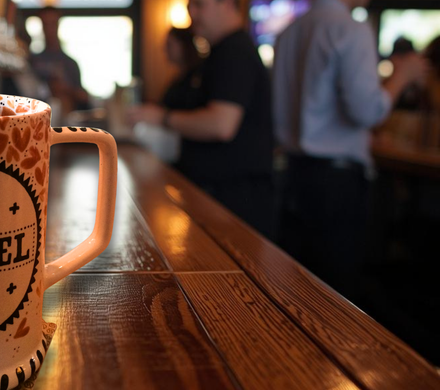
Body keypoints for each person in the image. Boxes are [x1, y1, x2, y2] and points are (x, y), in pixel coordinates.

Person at [272, 0, 427, 300]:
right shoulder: (351, 30)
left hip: (293, 172)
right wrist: (402, 77)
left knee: (293, 285)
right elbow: (366, 111)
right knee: (333, 292)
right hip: (336, 181)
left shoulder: (288, 32)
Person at [129, 0, 275, 236]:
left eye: (199, 5)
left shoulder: (234, 51)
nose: (191, 14)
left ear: (226, 4)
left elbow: (221, 125)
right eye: (190, 7)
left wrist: (162, 117)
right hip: (219, 194)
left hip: (233, 200)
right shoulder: (219, 52)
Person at [30, 7, 90, 116]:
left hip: (65, 120)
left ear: (58, 25)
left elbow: (83, 97)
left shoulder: (70, 64)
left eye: (52, 24)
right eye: (45, 24)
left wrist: (65, 89)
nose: (49, 29)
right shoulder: (32, 61)